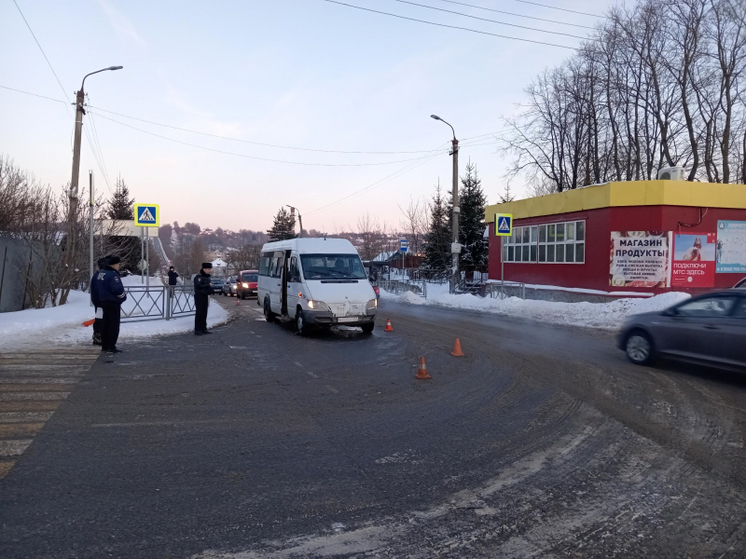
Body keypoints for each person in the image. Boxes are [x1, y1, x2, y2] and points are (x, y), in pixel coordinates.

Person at [93, 254, 127, 353]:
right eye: (118, 264)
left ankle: (105, 345)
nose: (119, 266)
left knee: (105, 324)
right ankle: (111, 346)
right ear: (114, 265)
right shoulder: (113, 275)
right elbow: (117, 289)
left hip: (103, 302)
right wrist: (123, 297)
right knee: (113, 325)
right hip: (113, 303)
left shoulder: (100, 273)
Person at [89, 257, 107, 346]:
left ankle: (98, 336)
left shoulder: (96, 275)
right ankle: (99, 336)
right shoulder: (102, 275)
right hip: (102, 302)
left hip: (97, 301)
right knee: (101, 320)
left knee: (99, 319)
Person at [193, 262, 214, 335]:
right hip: (199, 297)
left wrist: (210, 289)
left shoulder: (207, 277)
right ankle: (197, 329)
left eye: (209, 269)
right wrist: (207, 285)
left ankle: (203, 328)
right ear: (204, 269)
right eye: (208, 269)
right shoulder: (199, 277)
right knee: (199, 312)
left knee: (204, 313)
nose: (209, 270)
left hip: (205, 296)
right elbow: (198, 286)